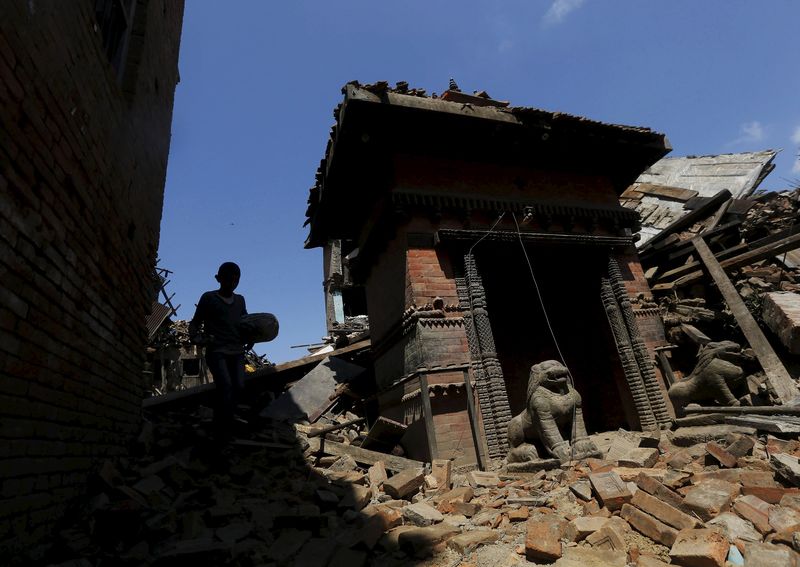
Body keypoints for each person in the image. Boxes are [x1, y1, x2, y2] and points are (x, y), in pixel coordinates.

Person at [189, 262, 253, 441]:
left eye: (236, 279)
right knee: (225, 385)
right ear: (219, 279)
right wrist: (196, 338)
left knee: (239, 386)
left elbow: (245, 323)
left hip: (237, 351)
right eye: (229, 279)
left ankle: (226, 420)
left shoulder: (240, 300)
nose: (233, 282)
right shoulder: (209, 298)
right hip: (217, 350)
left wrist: (251, 336)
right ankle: (222, 428)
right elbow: (195, 322)